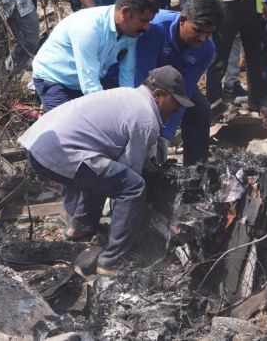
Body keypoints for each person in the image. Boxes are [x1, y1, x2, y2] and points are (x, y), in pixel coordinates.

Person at [19, 65, 191, 274]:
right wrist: (143, 208)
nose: (176, 110)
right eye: (174, 103)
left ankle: (81, 227)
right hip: (56, 153)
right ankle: (111, 261)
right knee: (133, 187)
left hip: (38, 146)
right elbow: (132, 171)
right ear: (158, 95)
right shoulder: (145, 117)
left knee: (106, 169)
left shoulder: (129, 95)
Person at [32, 0, 159, 112]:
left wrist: (129, 107)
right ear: (125, 13)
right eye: (143, 21)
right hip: (55, 80)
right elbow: (90, 85)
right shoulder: (89, 28)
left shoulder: (129, 30)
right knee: (69, 122)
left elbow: (127, 74)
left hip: (89, 78)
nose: (147, 28)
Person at [135, 0, 222, 165]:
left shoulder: (207, 49)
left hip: (174, 83)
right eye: (198, 31)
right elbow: (140, 81)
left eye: (209, 33)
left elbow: (185, 92)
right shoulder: (155, 29)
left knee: (200, 109)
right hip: (142, 80)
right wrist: (151, 132)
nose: (203, 38)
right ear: (183, 20)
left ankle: (196, 171)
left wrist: (165, 137)